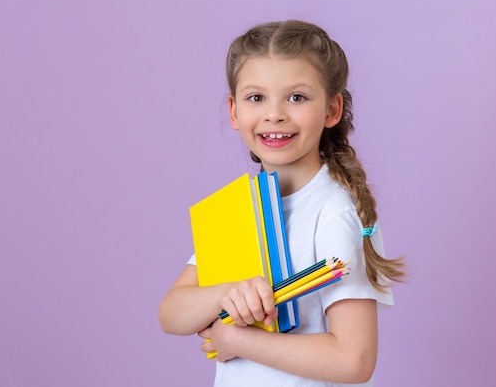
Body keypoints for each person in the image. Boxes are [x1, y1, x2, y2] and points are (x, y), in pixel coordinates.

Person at [159, 20, 405, 387]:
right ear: (234, 110)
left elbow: (354, 360)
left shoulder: (334, 212)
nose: (275, 114)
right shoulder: (238, 207)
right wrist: (227, 292)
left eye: (297, 97)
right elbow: (172, 314)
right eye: (256, 98)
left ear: (332, 110)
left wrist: (238, 339)